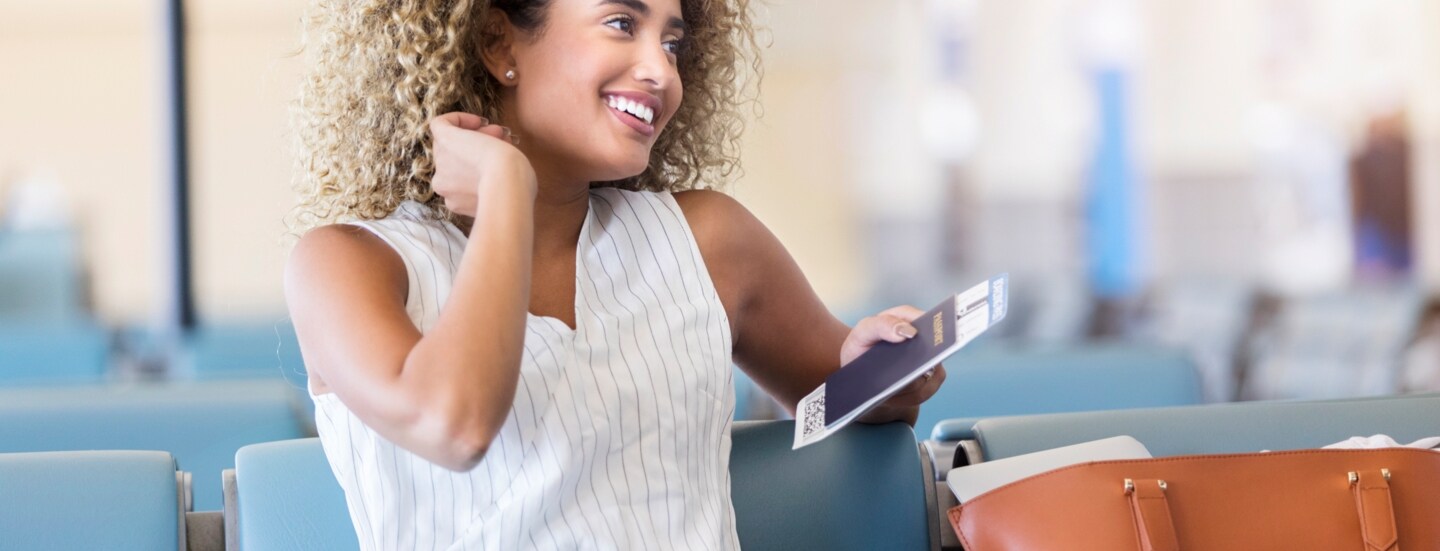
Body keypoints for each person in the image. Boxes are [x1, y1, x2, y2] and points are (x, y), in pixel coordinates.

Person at [284, 0, 948, 548]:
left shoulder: (711, 241)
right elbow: (454, 425)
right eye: (622, 24)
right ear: (497, 43)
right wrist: (507, 187)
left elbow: (855, 399)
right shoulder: (348, 264)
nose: (660, 70)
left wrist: (883, 366)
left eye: (674, 41)